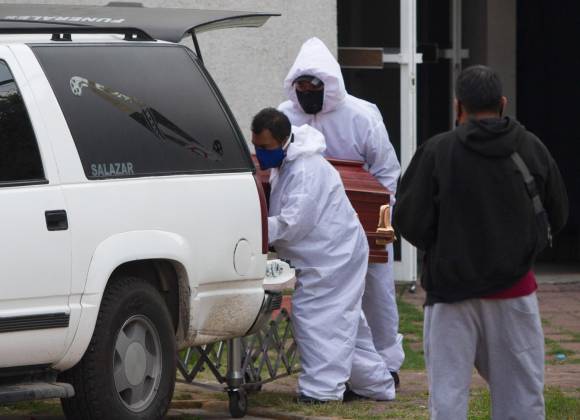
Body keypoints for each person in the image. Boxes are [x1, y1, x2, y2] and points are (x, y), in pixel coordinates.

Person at [393, 65, 569, 420]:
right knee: (521, 396)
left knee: (448, 399)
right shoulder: (531, 148)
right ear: (502, 103)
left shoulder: (437, 151)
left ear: (458, 106)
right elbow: (558, 212)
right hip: (514, 291)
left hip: (450, 293)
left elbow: (409, 219)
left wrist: (443, 247)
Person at [278, 37, 405, 381]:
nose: (307, 93)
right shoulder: (285, 116)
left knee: (376, 293)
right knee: (320, 298)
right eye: (301, 87)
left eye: (314, 87)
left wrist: (379, 218)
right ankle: (331, 363)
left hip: (363, 222)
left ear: (329, 84)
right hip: (313, 227)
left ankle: (386, 362)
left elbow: (386, 170)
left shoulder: (361, 116)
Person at [252, 108, 395, 403]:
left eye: (265, 147)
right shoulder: (289, 162)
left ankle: (322, 391)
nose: (260, 153)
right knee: (345, 323)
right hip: (329, 254)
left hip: (333, 257)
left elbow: (294, 223)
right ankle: (375, 384)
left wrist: (255, 228)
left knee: (318, 320)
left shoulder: (305, 171)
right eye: (256, 146)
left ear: (284, 140)